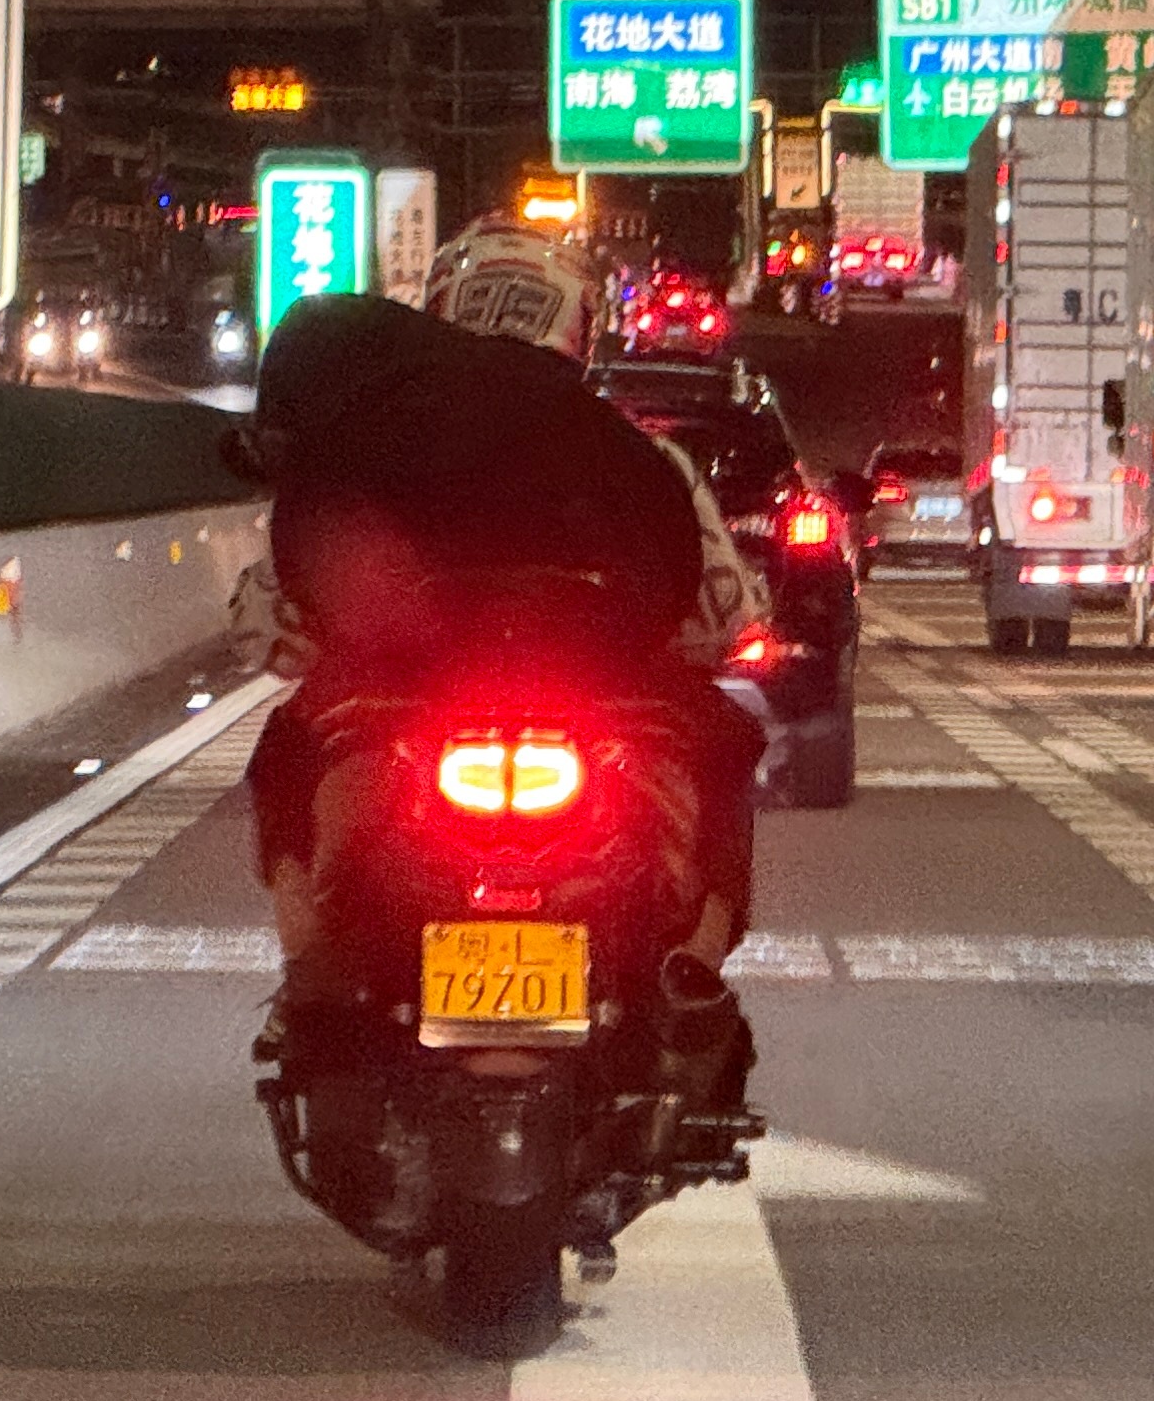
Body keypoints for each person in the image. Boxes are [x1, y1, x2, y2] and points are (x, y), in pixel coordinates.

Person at [231, 223, 765, 1239]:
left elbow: (272, 618)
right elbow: (726, 616)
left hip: (410, 720)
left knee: (284, 758)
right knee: (730, 747)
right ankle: (693, 958)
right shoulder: (636, 454)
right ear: (579, 324)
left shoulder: (373, 445)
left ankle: (310, 960)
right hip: (600, 719)